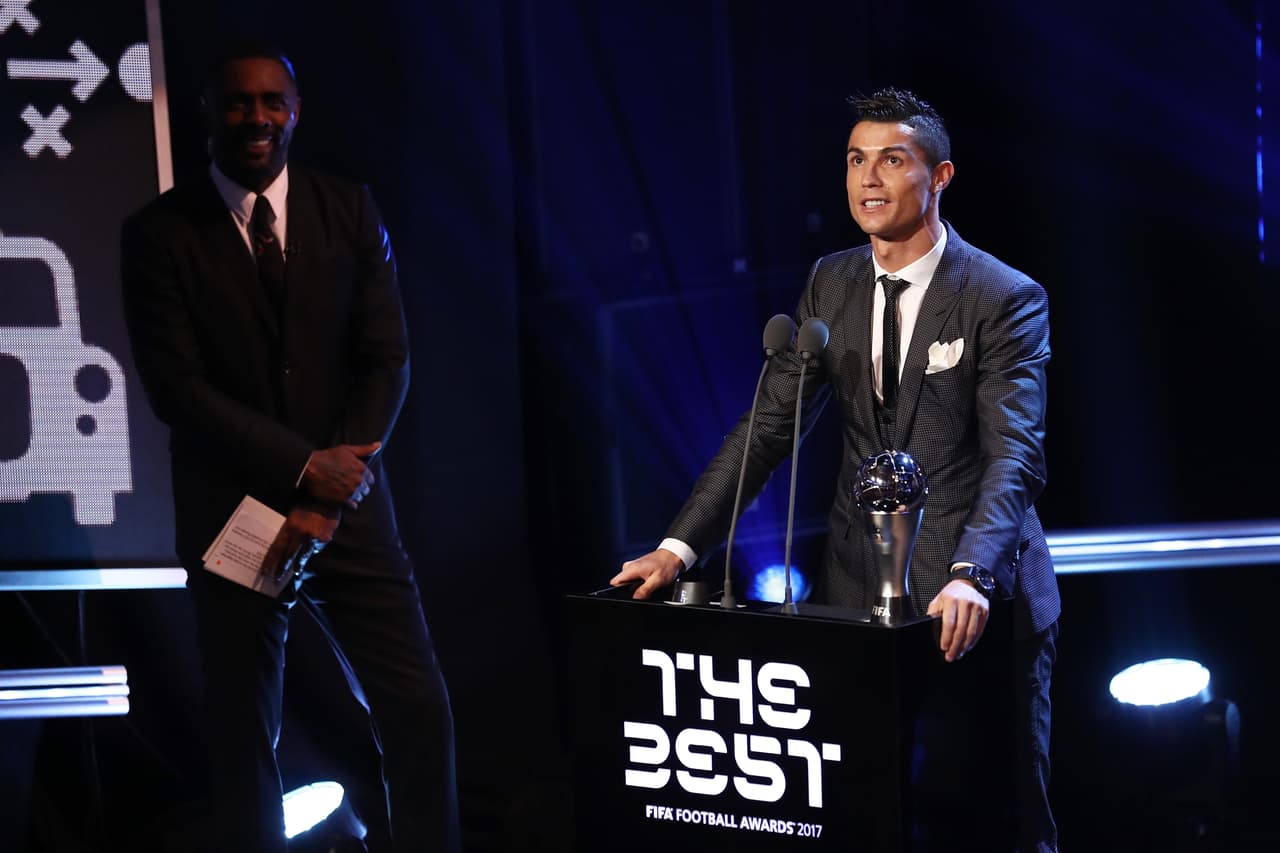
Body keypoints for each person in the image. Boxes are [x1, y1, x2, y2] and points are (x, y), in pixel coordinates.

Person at [611, 87, 1061, 853]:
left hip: (972, 601)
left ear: (940, 176)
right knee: (862, 816)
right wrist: (679, 547)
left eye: (892, 159)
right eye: (856, 160)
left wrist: (971, 573)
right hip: (856, 602)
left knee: (993, 824)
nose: (868, 178)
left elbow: (1013, 456)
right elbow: (767, 428)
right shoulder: (832, 281)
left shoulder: (1002, 296)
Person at [121, 41, 460, 852]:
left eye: (272, 101)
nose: (257, 117)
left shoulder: (349, 209)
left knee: (417, 709)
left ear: (296, 111)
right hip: (232, 515)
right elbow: (177, 389)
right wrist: (305, 468)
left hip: (348, 515)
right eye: (239, 102)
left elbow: (387, 359)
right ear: (208, 113)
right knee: (242, 736)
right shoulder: (158, 234)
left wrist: (329, 488)